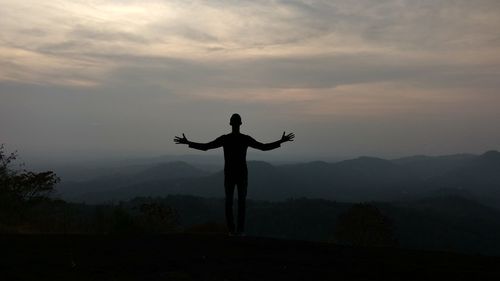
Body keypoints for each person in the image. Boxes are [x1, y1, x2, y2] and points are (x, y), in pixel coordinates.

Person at [174, 113, 294, 236]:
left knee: (230, 203)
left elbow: (206, 147)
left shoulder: (226, 139)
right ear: (240, 123)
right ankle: (239, 231)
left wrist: (188, 143)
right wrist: (281, 141)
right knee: (240, 203)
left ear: (230, 123)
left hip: (231, 174)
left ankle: (232, 231)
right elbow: (263, 147)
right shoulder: (244, 139)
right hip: (241, 174)